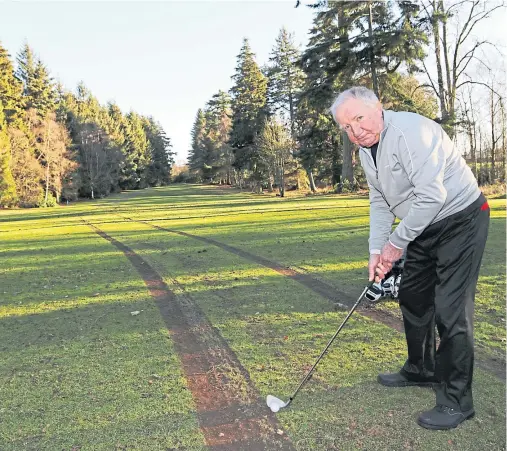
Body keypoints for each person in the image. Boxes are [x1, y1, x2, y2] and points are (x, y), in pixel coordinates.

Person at [330, 86, 490, 430]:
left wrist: (395, 245)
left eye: (359, 118)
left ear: (378, 109)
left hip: (461, 219)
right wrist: (377, 250)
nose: (355, 130)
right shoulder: (365, 151)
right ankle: (422, 369)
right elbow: (380, 201)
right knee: (414, 296)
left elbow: (433, 196)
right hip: (422, 227)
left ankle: (457, 401)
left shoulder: (411, 133)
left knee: (451, 309)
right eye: (346, 126)